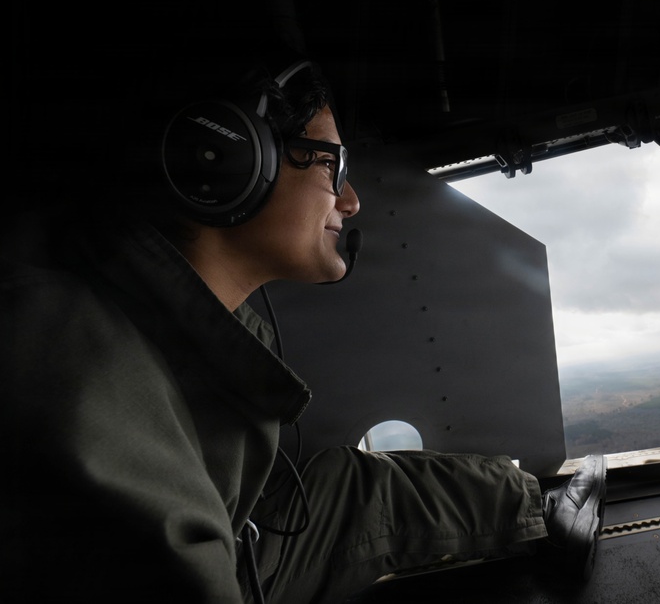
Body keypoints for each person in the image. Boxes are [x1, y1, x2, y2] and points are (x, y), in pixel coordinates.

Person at [0, 50, 607, 603]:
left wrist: (529, 503)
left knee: (342, 484)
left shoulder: (143, 324)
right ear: (231, 160)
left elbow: (340, 502)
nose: (351, 201)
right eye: (333, 165)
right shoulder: (78, 370)